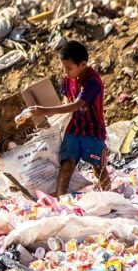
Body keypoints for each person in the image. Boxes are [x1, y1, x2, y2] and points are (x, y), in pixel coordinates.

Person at [18, 40, 110, 196]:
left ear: (83, 64)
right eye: (64, 68)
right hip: (74, 128)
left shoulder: (93, 82)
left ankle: (109, 196)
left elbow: (75, 105)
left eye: (69, 68)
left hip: (92, 130)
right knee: (66, 164)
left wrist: (43, 110)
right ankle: (62, 200)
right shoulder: (68, 78)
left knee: (98, 166)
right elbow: (67, 101)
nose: (66, 72)